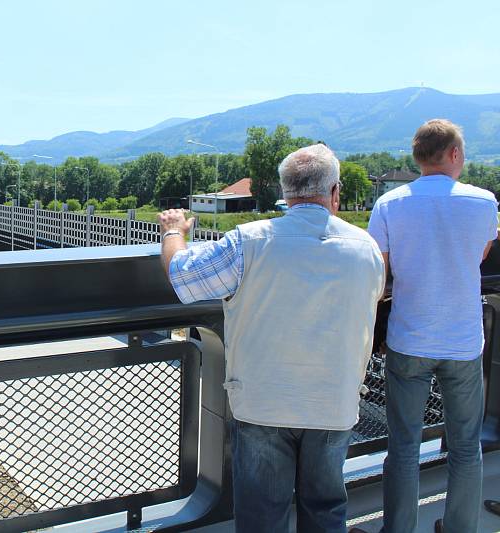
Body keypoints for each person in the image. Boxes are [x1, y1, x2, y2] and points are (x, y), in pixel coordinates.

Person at [159, 143, 385, 533]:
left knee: (262, 515)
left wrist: (175, 232)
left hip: (263, 402)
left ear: (284, 193)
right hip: (334, 402)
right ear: (335, 191)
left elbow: (184, 276)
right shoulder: (365, 247)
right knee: (326, 508)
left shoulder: (248, 240)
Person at [366, 119, 497, 533]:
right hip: (462, 341)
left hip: (409, 337)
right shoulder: (483, 202)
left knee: (403, 448)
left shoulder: (390, 204)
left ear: (418, 157)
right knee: (465, 448)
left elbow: (377, 270)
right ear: (455, 154)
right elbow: (478, 255)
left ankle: (398, 528)